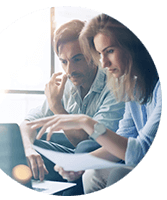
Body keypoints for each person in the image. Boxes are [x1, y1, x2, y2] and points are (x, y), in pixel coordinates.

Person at [28, 14, 162, 194]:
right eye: (100, 53)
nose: (104, 63)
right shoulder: (132, 85)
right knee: (91, 173)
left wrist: (84, 121)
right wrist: (80, 163)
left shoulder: (155, 88)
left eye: (110, 51)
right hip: (116, 153)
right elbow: (124, 136)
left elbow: (139, 150)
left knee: (109, 168)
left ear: (131, 45)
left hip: (129, 155)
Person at [20, 19, 125, 188]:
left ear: (93, 54)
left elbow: (96, 139)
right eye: (64, 61)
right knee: (21, 147)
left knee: (85, 147)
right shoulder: (66, 84)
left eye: (77, 59)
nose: (69, 70)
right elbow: (28, 123)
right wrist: (28, 149)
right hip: (73, 154)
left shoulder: (114, 83)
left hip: (104, 154)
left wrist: (57, 108)